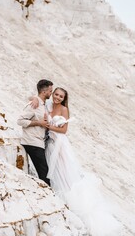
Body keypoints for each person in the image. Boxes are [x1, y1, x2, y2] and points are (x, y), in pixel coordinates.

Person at [31, 87, 122, 236]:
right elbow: (34, 99)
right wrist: (34, 98)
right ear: (52, 94)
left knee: (64, 169)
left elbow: (64, 130)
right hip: (50, 144)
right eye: (56, 94)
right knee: (53, 170)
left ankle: (69, 196)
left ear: (64, 98)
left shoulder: (64, 109)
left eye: (61, 96)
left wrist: (50, 127)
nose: (58, 98)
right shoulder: (47, 104)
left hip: (60, 144)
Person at [17, 79, 53, 186]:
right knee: (44, 174)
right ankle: (49, 199)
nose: (51, 93)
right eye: (50, 91)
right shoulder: (34, 105)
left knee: (45, 173)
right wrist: (39, 123)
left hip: (39, 142)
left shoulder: (42, 103)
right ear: (44, 92)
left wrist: (33, 97)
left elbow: (30, 96)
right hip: (32, 142)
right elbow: (20, 121)